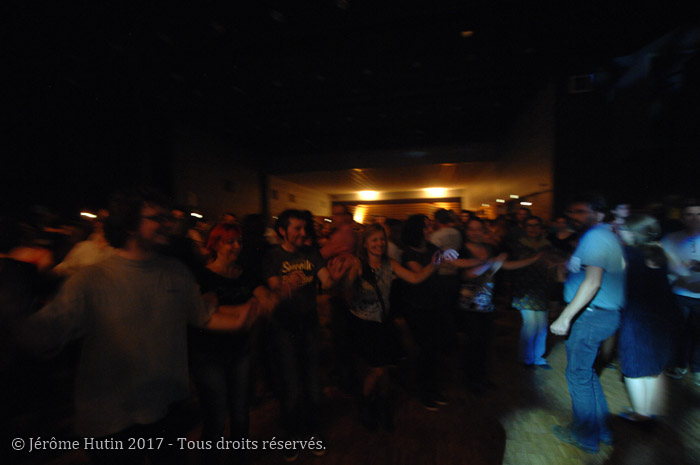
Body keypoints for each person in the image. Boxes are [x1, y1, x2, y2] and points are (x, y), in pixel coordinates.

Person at [15, 187, 256, 465]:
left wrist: (244, 317)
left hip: (167, 410)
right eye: (157, 218)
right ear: (129, 224)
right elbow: (44, 333)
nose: (167, 224)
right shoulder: (91, 280)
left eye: (168, 217)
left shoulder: (176, 273)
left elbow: (202, 316)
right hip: (111, 422)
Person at [188, 223, 291, 464]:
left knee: (240, 410)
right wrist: (247, 307)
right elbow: (203, 314)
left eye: (239, 241)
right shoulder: (202, 277)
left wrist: (276, 295)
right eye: (230, 242)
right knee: (215, 414)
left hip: (240, 351)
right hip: (209, 356)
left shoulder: (246, 274)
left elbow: (266, 303)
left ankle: (239, 457)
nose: (237, 246)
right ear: (215, 245)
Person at [263, 209, 350, 461]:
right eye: (297, 228)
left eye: (304, 228)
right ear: (283, 231)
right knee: (291, 383)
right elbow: (274, 289)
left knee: (312, 380)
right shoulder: (273, 256)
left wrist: (336, 277)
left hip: (309, 325)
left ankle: (313, 430)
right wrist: (286, 285)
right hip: (284, 327)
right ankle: (291, 433)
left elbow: (326, 281)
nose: (303, 233)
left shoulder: (311, 253)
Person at [341, 223, 442, 429]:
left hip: (383, 323)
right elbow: (345, 290)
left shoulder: (390, 263)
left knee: (383, 368)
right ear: (365, 243)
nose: (379, 243)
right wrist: (344, 274)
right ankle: (366, 404)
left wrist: (434, 264)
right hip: (364, 324)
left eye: (382, 239)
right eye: (374, 240)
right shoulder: (358, 265)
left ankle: (382, 406)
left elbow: (415, 278)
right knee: (376, 370)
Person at [550, 195, 626, 454]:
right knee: (587, 374)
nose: (574, 216)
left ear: (599, 213)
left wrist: (565, 317)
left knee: (578, 376)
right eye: (571, 211)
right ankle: (600, 430)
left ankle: (585, 436)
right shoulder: (602, 236)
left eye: (581, 211)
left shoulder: (595, 237)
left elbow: (593, 282)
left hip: (590, 316)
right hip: (601, 315)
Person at [453, 217, 540, 393]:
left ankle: (482, 378)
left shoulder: (489, 248)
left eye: (478, 229)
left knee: (485, 343)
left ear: (483, 231)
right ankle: (471, 381)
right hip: (469, 306)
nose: (475, 232)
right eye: (471, 229)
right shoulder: (461, 251)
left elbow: (505, 265)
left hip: (487, 304)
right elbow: (467, 275)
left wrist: (533, 260)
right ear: (466, 231)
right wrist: (490, 263)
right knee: (473, 344)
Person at [617, 214, 680, 424]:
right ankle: (650, 412)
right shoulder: (661, 253)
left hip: (636, 316)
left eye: (625, 228)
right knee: (653, 366)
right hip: (661, 316)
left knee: (633, 366)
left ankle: (640, 414)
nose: (621, 231)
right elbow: (680, 271)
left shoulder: (628, 254)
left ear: (635, 232)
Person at [401, 214, 452, 410]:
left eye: (430, 225)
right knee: (424, 349)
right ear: (417, 230)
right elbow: (419, 276)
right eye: (427, 226)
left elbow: (442, 267)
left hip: (435, 304)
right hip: (417, 307)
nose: (431, 229)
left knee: (434, 349)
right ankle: (424, 392)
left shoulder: (431, 248)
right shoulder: (408, 253)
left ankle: (432, 389)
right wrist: (437, 262)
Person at [661, 199, 700, 384]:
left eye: (699, 214)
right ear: (682, 218)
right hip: (679, 294)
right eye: (690, 215)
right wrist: (678, 268)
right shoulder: (671, 239)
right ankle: (678, 363)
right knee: (678, 332)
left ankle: (698, 367)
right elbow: (663, 264)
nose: (695, 218)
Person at [511, 216, 558, 369]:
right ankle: (525, 357)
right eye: (529, 225)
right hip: (525, 288)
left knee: (542, 325)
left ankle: (538, 357)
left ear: (541, 227)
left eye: (536, 225)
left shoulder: (547, 245)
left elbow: (552, 262)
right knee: (530, 324)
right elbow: (518, 262)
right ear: (524, 227)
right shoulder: (518, 244)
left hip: (542, 288)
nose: (533, 228)